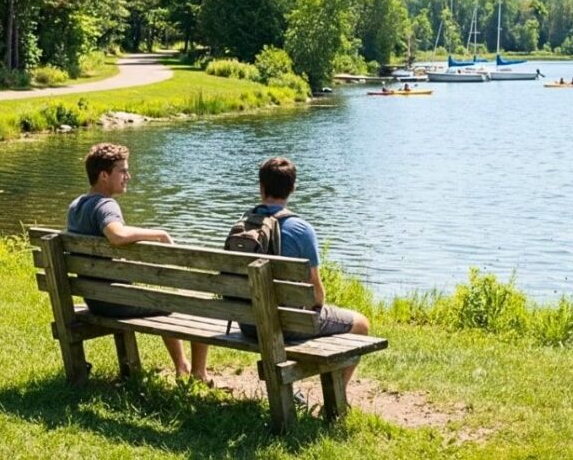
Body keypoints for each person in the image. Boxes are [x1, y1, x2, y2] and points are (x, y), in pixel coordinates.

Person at [67, 143, 210, 383]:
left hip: (94, 298)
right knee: (192, 303)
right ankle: (198, 374)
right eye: (122, 171)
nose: (128, 176)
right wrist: (159, 234)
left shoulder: (76, 205)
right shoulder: (105, 205)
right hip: (115, 301)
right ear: (104, 175)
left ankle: (182, 366)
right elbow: (117, 235)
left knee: (161, 298)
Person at [234, 157, 371, 387]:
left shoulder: (242, 225)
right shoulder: (301, 229)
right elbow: (317, 296)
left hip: (248, 323)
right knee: (361, 324)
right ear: (292, 189)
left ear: (261, 188)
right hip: (287, 326)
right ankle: (338, 394)